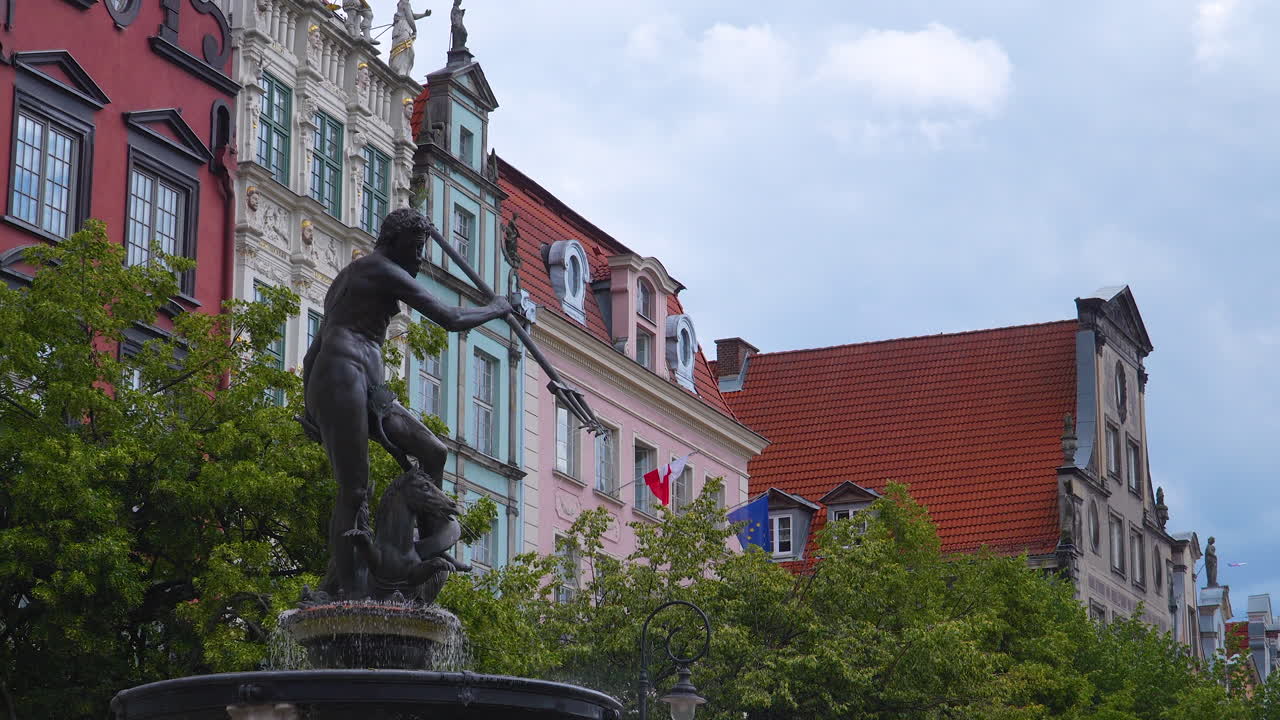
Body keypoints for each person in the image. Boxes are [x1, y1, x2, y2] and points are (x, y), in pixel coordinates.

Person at [301, 208, 511, 600]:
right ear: (392, 242)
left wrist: (307, 397)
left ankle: (414, 552)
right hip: (343, 376)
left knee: (433, 451)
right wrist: (496, 309)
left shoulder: (356, 278)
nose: (419, 258)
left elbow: (315, 344)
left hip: (363, 384)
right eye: (415, 249)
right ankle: (344, 590)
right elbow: (448, 317)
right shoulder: (378, 268)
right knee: (354, 491)